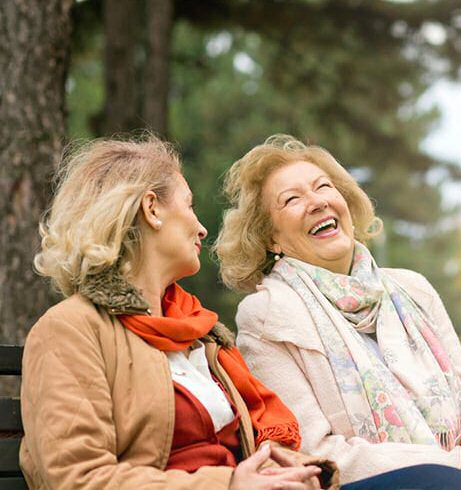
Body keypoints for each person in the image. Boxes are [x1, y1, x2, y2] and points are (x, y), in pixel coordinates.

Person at [214, 134, 461, 490]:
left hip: (459, 463)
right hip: (372, 480)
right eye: (292, 199)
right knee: (444, 483)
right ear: (271, 238)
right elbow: (313, 450)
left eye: (323, 187)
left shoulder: (413, 288)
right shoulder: (267, 315)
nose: (317, 202)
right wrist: (448, 461)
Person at [20, 135, 339, 490]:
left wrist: (303, 473)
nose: (202, 227)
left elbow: (253, 450)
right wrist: (229, 485)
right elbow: (79, 479)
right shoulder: (70, 330)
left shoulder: (201, 334)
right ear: (152, 208)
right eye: (189, 206)